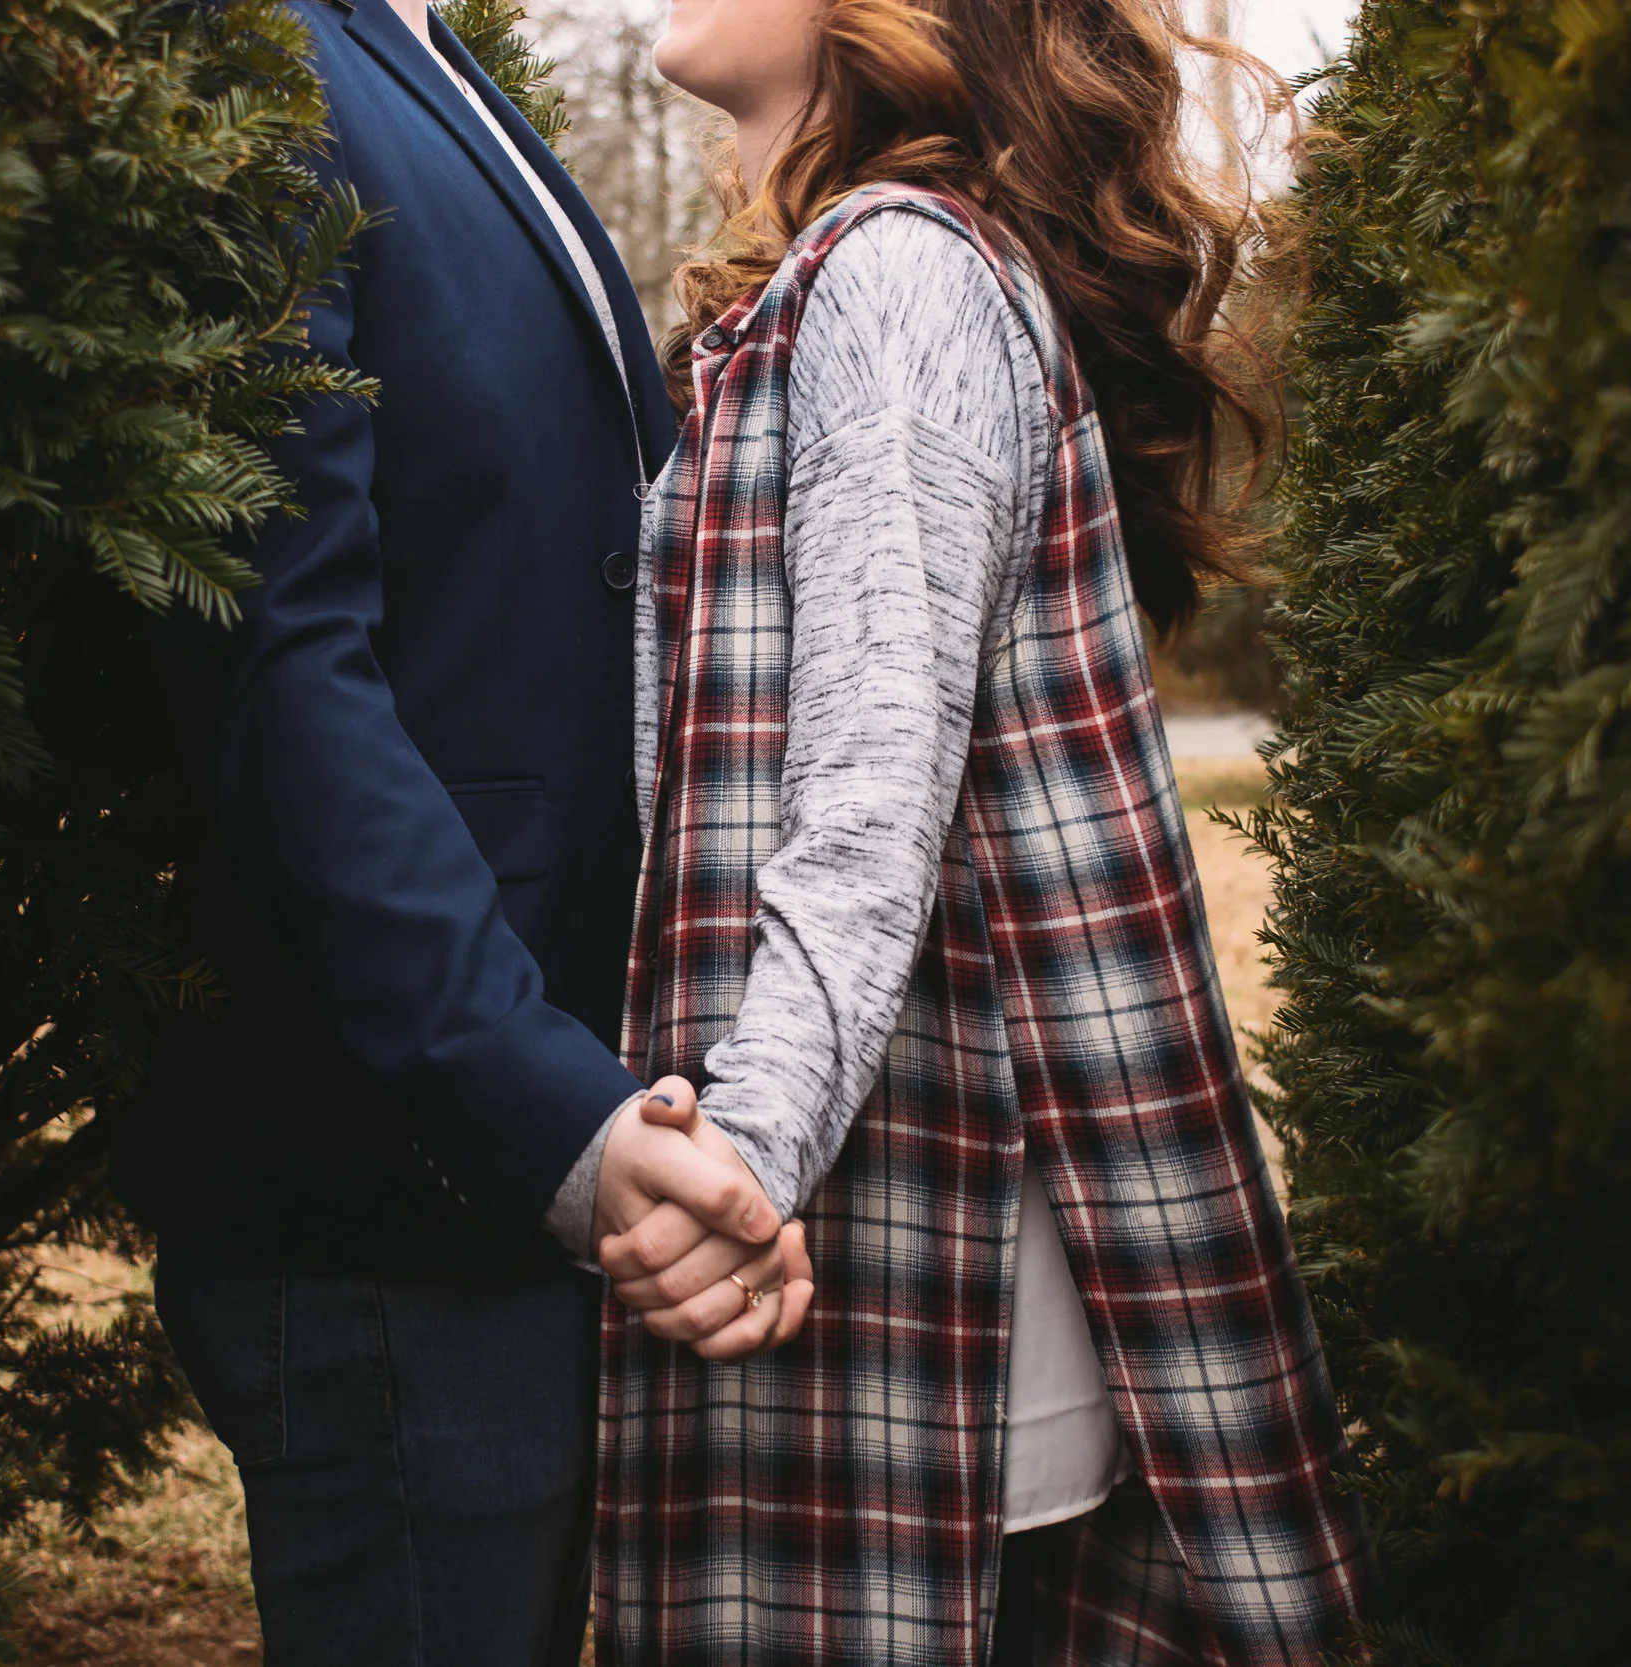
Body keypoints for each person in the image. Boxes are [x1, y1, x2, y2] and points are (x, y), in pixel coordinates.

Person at [588, 0, 1378, 1660]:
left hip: (911, 1276)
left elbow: (867, 807)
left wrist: (738, 1168)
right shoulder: (864, 273)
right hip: (879, 1239)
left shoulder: (898, 273)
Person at [109, 1, 810, 1661]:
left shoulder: (424, 70)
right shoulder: (259, 61)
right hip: (396, 1186)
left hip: (515, 1161)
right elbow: (276, 662)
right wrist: (541, 1108)